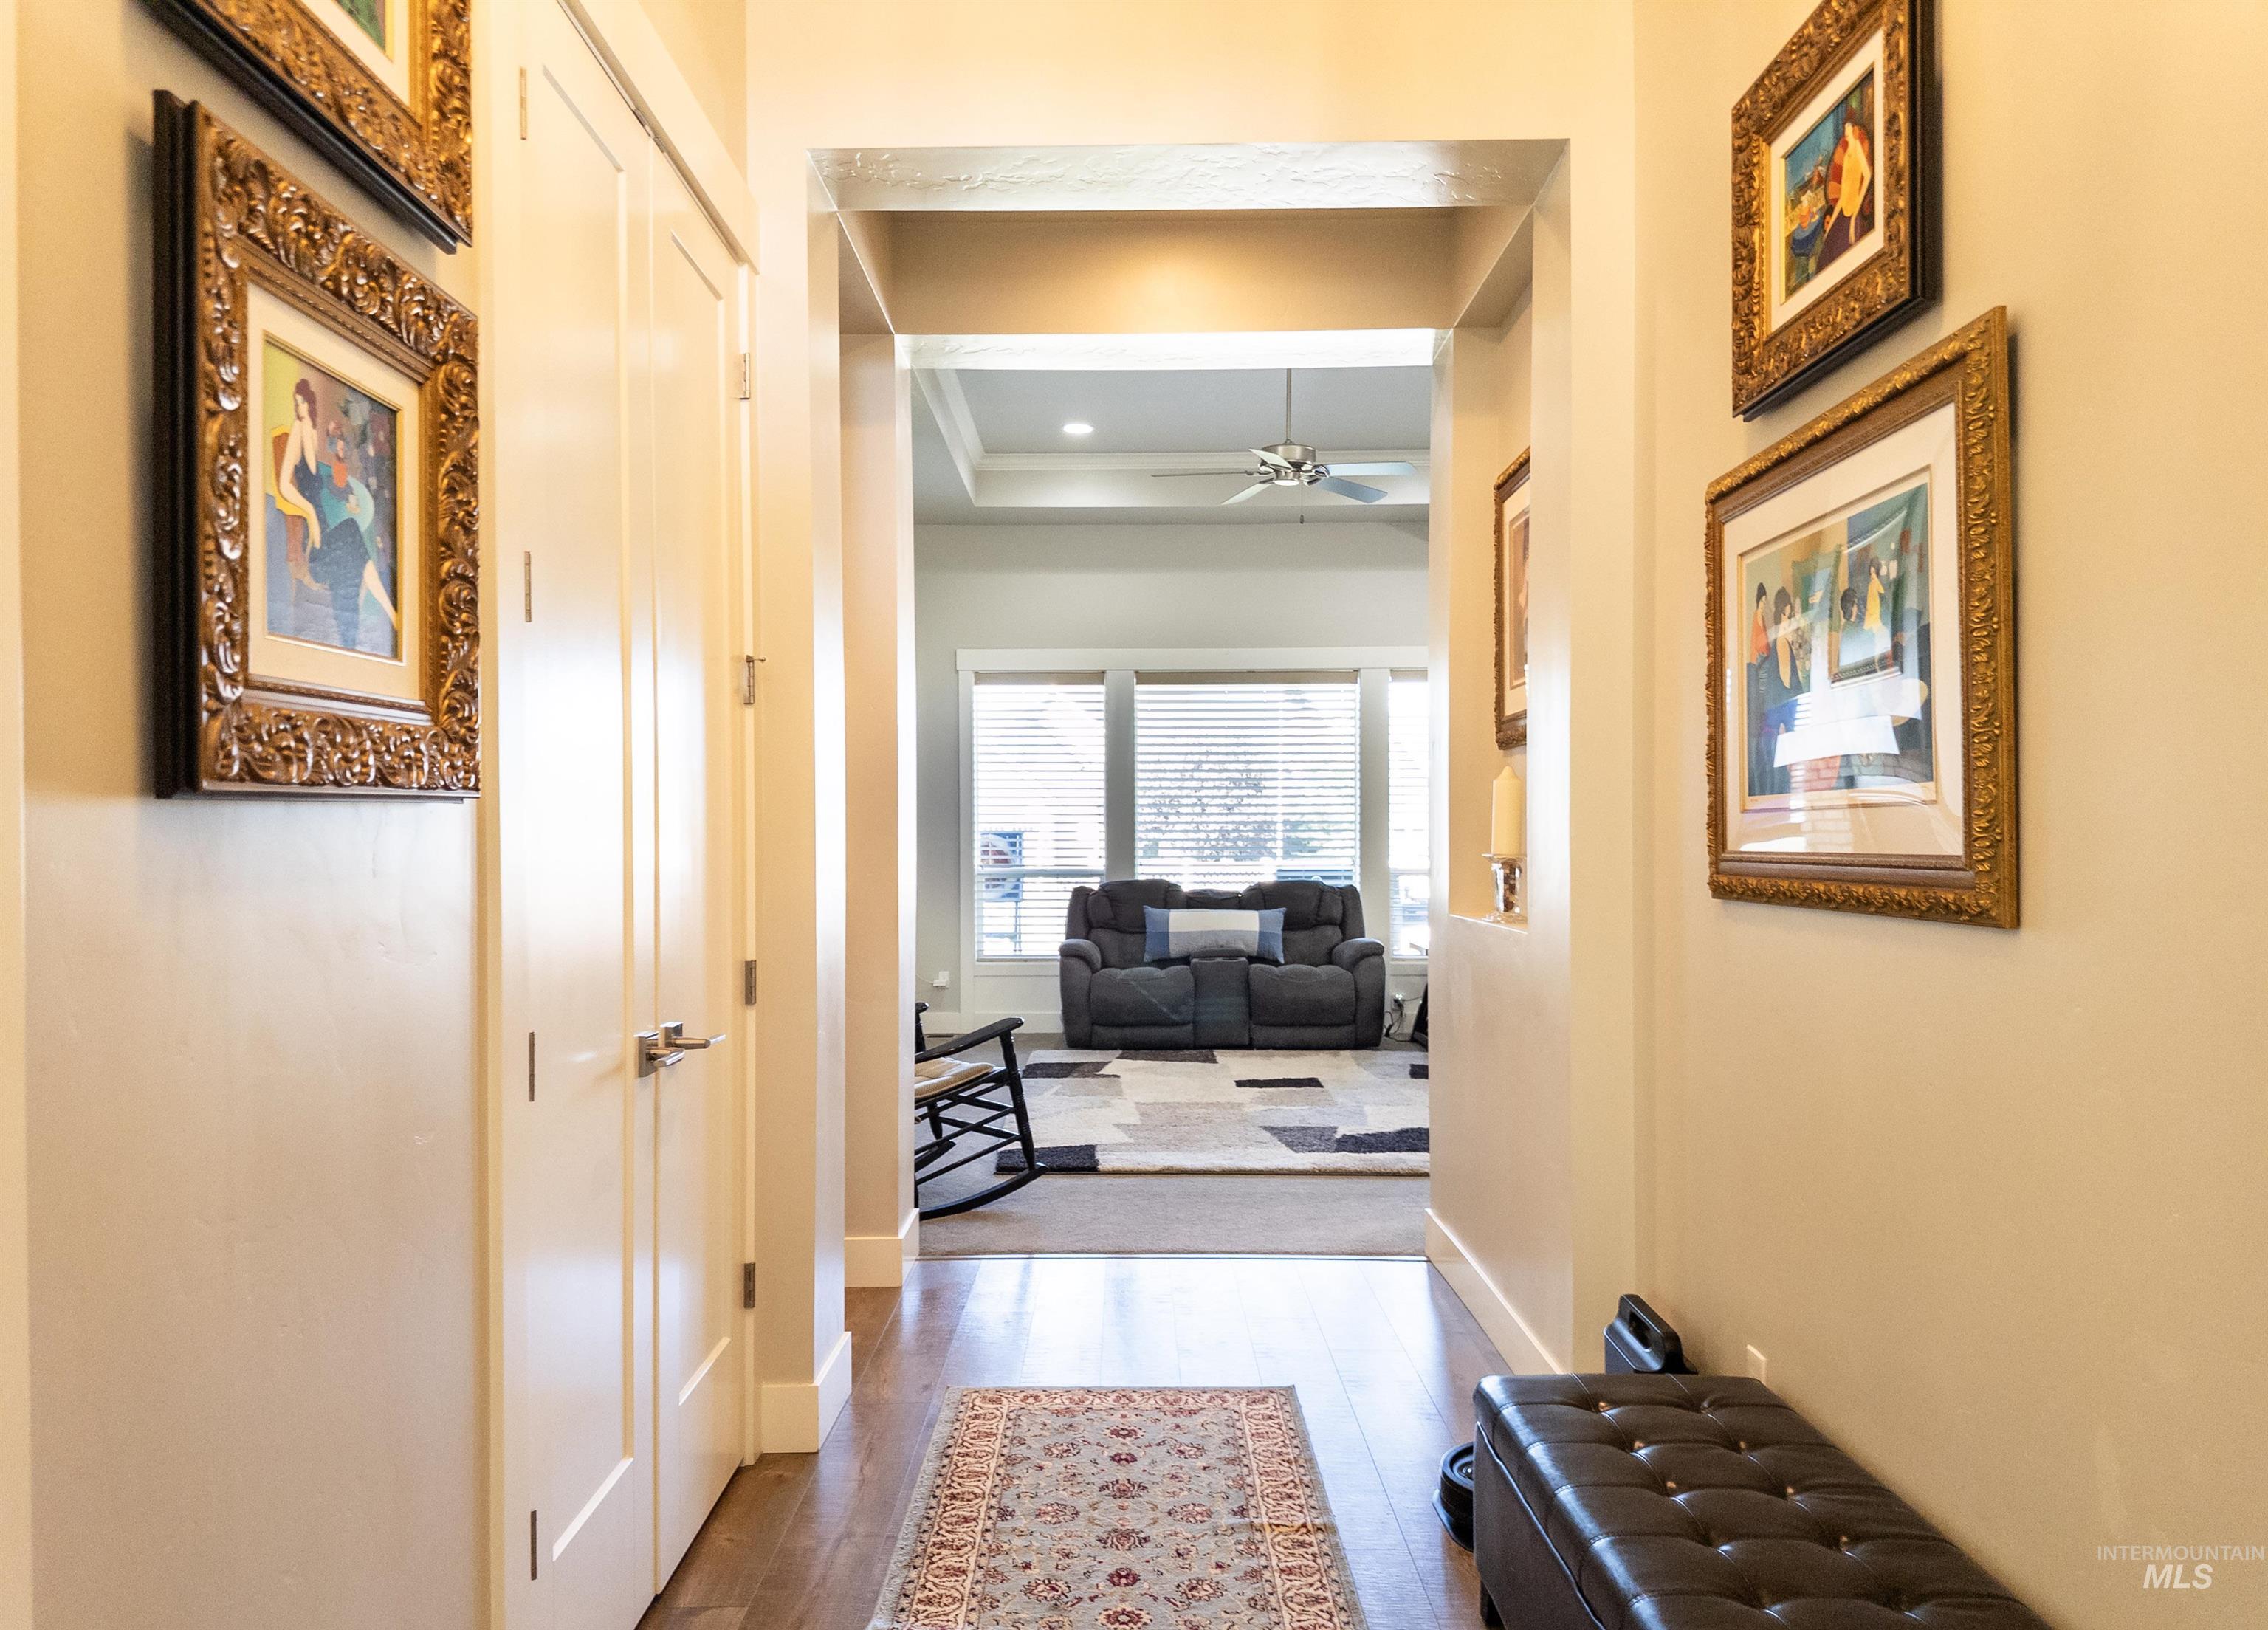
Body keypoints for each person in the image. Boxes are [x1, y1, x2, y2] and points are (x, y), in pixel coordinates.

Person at [1820, 111, 1873, 266]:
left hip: (1854, 212)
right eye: (1846, 129)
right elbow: (1843, 195)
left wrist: (1855, 215)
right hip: (1844, 212)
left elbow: (1868, 175)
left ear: (1853, 129)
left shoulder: (1857, 148)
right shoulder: (1846, 154)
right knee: (1828, 254)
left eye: (1849, 128)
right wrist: (1829, 231)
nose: (1847, 132)